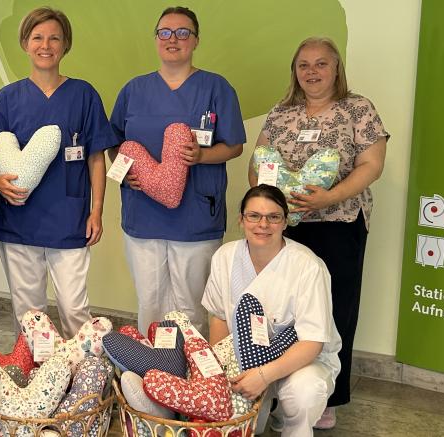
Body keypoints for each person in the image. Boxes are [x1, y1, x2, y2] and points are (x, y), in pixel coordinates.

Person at [248, 36, 388, 429]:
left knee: (332, 309)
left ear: (336, 68)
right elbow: (258, 165)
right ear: (295, 71)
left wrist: (329, 197)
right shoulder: (281, 113)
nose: (311, 72)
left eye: (321, 64)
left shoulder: (356, 108)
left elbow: (371, 164)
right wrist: (270, 208)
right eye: (303, 65)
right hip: (282, 228)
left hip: (338, 224)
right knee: (281, 309)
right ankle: (278, 387)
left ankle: (325, 394)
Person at [108, 6, 245, 333]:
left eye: (183, 32)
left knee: (191, 305)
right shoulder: (133, 90)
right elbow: (114, 144)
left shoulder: (216, 88)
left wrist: (200, 156)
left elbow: (235, 145)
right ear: (156, 39)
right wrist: (125, 172)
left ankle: (189, 376)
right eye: (165, 32)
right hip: (143, 216)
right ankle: (151, 374)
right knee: (150, 303)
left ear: (195, 41)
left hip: (196, 216)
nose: (174, 39)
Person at [0, 7, 118, 335]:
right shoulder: (8, 98)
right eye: (38, 37)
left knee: (74, 308)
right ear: (25, 44)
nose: (46, 45)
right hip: (19, 218)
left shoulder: (84, 95)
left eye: (54, 38)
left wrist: (96, 211)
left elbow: (96, 158)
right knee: (28, 313)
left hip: (69, 216)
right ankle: (31, 379)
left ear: (65, 45)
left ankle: (81, 379)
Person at [202, 185, 341, 437]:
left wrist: (264, 376)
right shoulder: (225, 256)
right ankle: (270, 410)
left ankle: (293, 428)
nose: (262, 224)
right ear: (241, 219)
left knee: (303, 393)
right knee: (240, 419)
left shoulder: (308, 266)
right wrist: (224, 371)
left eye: (273, 217)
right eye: (253, 216)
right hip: (242, 357)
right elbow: (219, 316)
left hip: (300, 360)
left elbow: (312, 342)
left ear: (285, 222)